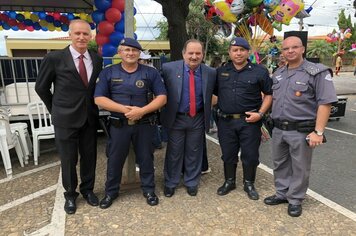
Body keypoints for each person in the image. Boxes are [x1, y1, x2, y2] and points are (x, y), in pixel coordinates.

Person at [264, 36, 337, 217]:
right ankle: (282, 193)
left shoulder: (317, 72)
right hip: (279, 129)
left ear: (302, 49)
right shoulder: (279, 73)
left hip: (301, 130)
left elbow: (325, 103)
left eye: (294, 47)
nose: (290, 51)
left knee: (300, 166)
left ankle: (295, 199)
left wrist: (318, 132)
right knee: (279, 163)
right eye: (286, 48)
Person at [35, 19, 103, 214]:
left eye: (85, 34)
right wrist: (54, 108)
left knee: (89, 157)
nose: (82, 37)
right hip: (64, 119)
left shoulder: (96, 59)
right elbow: (41, 87)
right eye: (77, 33)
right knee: (68, 159)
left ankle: (88, 190)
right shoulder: (55, 58)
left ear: (90, 36)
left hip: (89, 118)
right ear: (70, 35)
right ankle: (71, 195)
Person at [94, 38, 167, 208]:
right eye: (126, 50)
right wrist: (125, 110)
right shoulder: (108, 72)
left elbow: (162, 98)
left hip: (144, 124)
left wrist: (141, 111)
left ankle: (149, 190)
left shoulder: (151, 73)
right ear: (120, 52)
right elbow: (99, 99)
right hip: (119, 125)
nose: (130, 53)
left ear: (139, 53)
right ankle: (110, 192)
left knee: (146, 158)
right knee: (114, 160)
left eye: (134, 50)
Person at [214, 37, 272, 200]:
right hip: (226, 122)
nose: (238, 53)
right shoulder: (221, 72)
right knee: (228, 154)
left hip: (249, 121)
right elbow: (214, 94)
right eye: (235, 50)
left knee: (250, 154)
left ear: (248, 52)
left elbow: (269, 95)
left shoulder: (260, 71)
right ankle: (229, 181)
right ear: (229, 52)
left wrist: (260, 114)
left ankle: (249, 183)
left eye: (242, 50)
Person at [160, 39, 216, 197]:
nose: (194, 56)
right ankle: (171, 182)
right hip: (176, 118)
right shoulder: (168, 68)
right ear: (183, 53)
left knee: (194, 151)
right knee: (174, 151)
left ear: (203, 54)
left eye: (198, 53)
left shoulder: (210, 72)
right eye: (190, 53)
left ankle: (191, 181)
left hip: (197, 118)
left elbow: (216, 92)